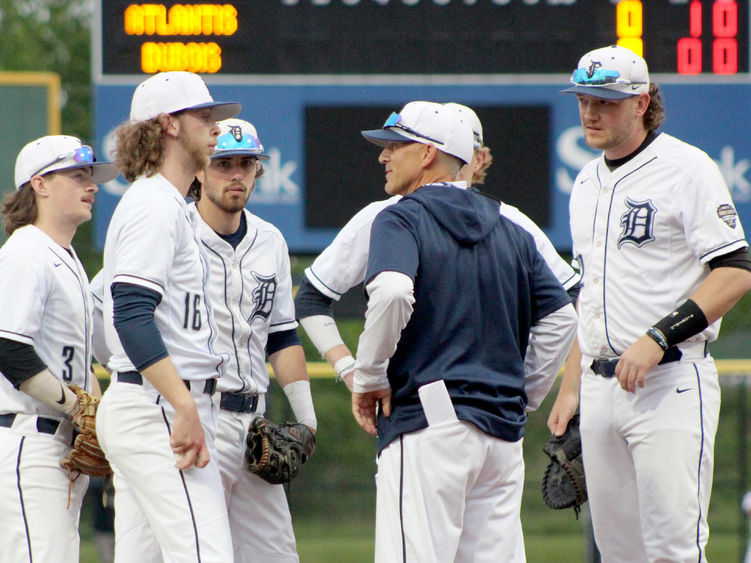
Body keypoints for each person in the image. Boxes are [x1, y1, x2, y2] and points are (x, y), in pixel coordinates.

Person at [351, 101, 578, 561]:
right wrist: (524, 394)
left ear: (428, 154)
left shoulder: (400, 217)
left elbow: (393, 292)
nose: (384, 156)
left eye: (395, 145)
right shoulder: (510, 229)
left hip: (428, 425)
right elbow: (562, 320)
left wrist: (370, 376)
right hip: (500, 437)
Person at [548, 44, 751, 562]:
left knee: (673, 550)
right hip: (598, 389)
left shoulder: (687, 168)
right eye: (583, 99)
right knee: (618, 554)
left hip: (669, 383)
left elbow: (735, 270)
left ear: (640, 103)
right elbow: (587, 295)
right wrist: (571, 388)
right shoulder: (586, 181)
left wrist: (660, 336)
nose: (590, 112)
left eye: (606, 100)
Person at [295, 102, 580, 399]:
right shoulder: (386, 216)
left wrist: (526, 389)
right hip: (468, 413)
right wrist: (351, 371)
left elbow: (568, 304)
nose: (384, 156)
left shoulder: (512, 223)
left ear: (479, 157)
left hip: (429, 414)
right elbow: (312, 297)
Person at [95, 70, 241, 562]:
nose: (214, 127)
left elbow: (102, 304)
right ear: (169, 125)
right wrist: (182, 407)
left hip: (150, 401)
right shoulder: (154, 205)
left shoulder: (167, 205)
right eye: (204, 116)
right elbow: (130, 314)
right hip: (160, 408)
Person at [187, 117, 316, 562]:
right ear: (200, 169)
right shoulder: (174, 232)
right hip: (199, 418)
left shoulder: (271, 240)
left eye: (247, 163)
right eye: (224, 163)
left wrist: (307, 421)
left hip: (255, 427)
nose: (237, 173)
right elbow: (116, 308)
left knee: (278, 555)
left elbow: (282, 335)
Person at [0, 135, 118, 561]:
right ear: (40, 184)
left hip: (59, 448)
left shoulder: (64, 255)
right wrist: (75, 406)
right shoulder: (25, 252)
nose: (91, 185)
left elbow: (76, 360)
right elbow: (8, 348)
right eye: (77, 174)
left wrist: (99, 421)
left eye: (90, 175)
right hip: (27, 441)